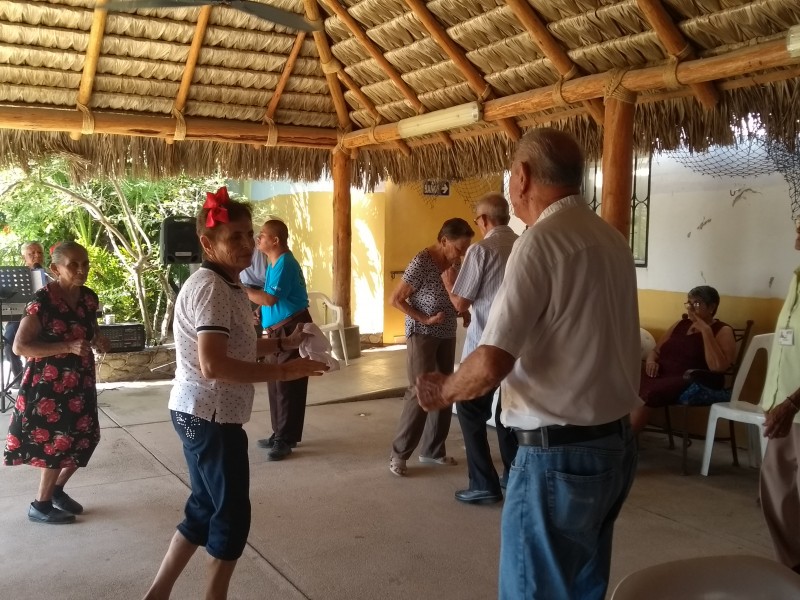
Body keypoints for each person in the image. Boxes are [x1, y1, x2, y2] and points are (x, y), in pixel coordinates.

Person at [416, 128, 640, 600]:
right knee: (582, 587)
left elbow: (493, 360)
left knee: (532, 591)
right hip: (613, 446)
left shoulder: (539, 242)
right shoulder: (612, 239)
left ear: (522, 176)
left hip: (557, 454)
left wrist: (445, 390)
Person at [142, 189, 326, 600]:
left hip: (201, 414)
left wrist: (286, 342)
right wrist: (285, 370)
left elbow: (237, 347)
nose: (246, 245)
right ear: (207, 244)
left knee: (205, 506)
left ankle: (157, 593)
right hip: (209, 417)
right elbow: (215, 364)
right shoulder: (210, 286)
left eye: (249, 235)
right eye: (235, 238)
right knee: (231, 514)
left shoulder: (229, 285)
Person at [3, 241, 110, 524]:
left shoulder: (88, 298)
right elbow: (20, 347)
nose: (81, 269)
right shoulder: (43, 301)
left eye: (85, 263)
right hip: (49, 386)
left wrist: (98, 338)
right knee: (56, 446)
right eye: (73, 264)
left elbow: (89, 327)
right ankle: (41, 504)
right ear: (55, 268)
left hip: (81, 383)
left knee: (87, 438)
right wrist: (67, 347)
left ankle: (57, 490)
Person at [444, 192, 518, 504]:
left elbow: (461, 302)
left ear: (485, 220)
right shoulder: (523, 243)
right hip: (519, 344)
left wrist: (449, 283)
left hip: (486, 344)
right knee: (509, 411)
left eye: (477, 220)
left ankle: (483, 482)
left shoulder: (482, 249)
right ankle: (513, 475)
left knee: (470, 409)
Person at [388, 218, 474, 477]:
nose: (461, 254)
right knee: (421, 391)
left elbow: (453, 292)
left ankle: (433, 450)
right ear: (444, 240)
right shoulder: (422, 262)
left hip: (446, 331)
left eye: (465, 248)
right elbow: (396, 299)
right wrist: (424, 318)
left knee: (444, 389)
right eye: (459, 248)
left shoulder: (454, 261)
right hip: (422, 333)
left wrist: (463, 313)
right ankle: (399, 455)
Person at [245, 219, 312, 462]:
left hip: (290, 327)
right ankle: (280, 434)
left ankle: (285, 438)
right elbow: (272, 300)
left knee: (288, 383)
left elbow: (271, 298)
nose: (258, 239)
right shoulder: (274, 263)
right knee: (276, 381)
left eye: (262, 235)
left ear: (275, 240)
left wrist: (241, 289)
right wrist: (260, 312)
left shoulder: (284, 262)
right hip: (277, 329)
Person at [630, 286, 736, 433]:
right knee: (627, 384)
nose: (691, 308)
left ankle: (626, 442)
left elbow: (718, 367)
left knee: (649, 393)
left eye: (697, 304)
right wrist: (650, 361)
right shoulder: (680, 324)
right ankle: (616, 439)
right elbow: (656, 351)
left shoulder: (723, 330)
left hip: (693, 379)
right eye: (689, 303)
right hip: (663, 374)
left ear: (712, 307)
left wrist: (706, 331)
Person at [760, 217, 800, 574]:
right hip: (782, 406)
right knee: (778, 495)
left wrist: (791, 404)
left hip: (795, 408)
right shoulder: (797, 277)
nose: (798, 230)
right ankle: (791, 573)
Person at [3, 241, 47, 381]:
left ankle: (39, 378)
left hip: (44, 319)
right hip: (18, 317)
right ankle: (20, 378)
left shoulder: (52, 273)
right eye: (32, 253)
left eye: (39, 252)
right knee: (9, 344)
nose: (36, 256)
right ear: (24, 258)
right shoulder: (15, 278)